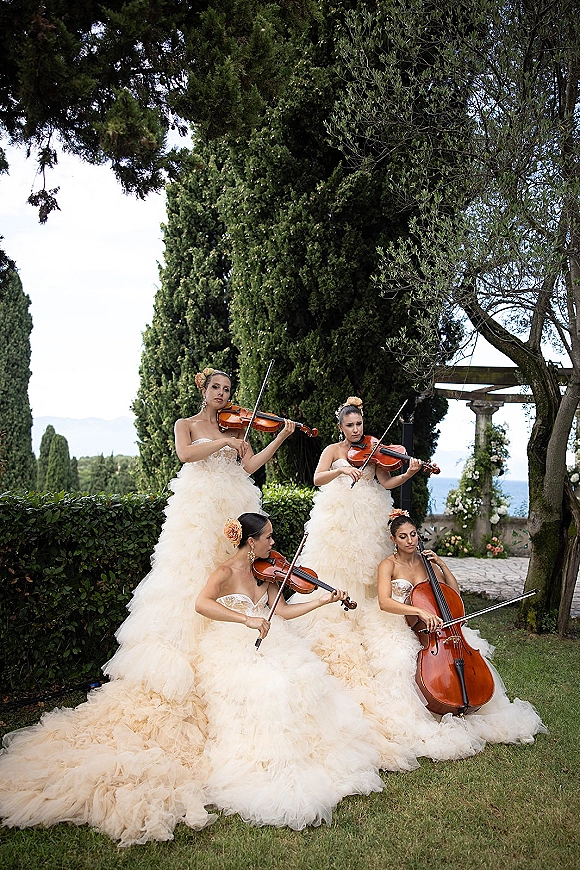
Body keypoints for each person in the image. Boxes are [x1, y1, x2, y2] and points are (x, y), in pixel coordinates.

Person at [0, 367, 299, 846]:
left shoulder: (238, 431)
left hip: (232, 509)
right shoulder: (188, 424)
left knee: (236, 576)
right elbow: (185, 454)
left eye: (227, 390)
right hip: (199, 512)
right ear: (203, 390)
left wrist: (278, 437)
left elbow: (248, 467)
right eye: (216, 388)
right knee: (190, 581)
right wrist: (221, 443)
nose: (223, 395)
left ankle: (234, 652)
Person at [194, 512, 383, 829]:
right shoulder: (225, 572)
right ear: (251, 541)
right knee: (274, 686)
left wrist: (321, 601)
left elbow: (282, 610)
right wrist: (247, 619)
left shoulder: (268, 573)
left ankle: (306, 755)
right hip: (234, 643)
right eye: (268, 537)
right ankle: (268, 759)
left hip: (271, 636)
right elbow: (202, 604)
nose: (273, 542)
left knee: (301, 678)